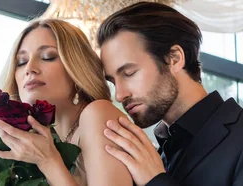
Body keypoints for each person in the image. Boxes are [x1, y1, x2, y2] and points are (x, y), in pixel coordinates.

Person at [97, 2, 243, 186]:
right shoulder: (156, 155)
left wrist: (156, 181)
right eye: (112, 81)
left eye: (129, 73)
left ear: (174, 58)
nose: (119, 95)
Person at [0, 18, 133, 185]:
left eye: (48, 57)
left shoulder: (98, 113)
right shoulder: (51, 142)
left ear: (76, 67)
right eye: (21, 62)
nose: (29, 68)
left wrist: (48, 162)